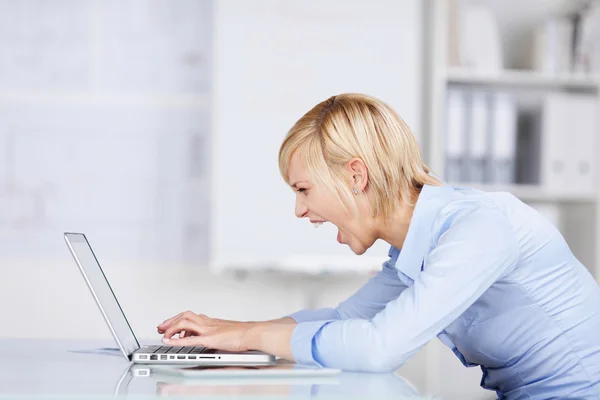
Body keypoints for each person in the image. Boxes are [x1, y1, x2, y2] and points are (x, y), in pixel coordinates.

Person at [157, 93, 600, 398]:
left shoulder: (478, 228)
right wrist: (228, 332)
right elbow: (343, 320)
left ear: (355, 175)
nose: (299, 210)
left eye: (304, 189)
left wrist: (251, 337)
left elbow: (377, 348)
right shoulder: (414, 253)